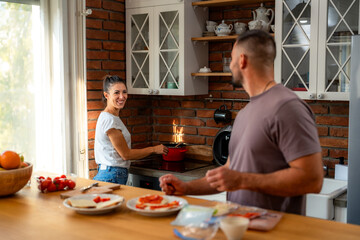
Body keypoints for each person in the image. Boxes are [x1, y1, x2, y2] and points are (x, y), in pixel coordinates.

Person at [159, 30, 324, 215]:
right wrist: (186, 188)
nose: (230, 65)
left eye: (231, 59)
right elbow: (229, 173)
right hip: (240, 228)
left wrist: (243, 181)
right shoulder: (245, 113)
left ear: (242, 60)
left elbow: (312, 179)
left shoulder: (287, 107)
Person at [94, 75, 168, 184]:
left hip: (110, 173)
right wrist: (154, 149)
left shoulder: (109, 117)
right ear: (106, 95)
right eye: (116, 93)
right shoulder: (110, 120)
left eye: (124, 92)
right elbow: (126, 154)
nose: (122, 96)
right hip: (112, 175)